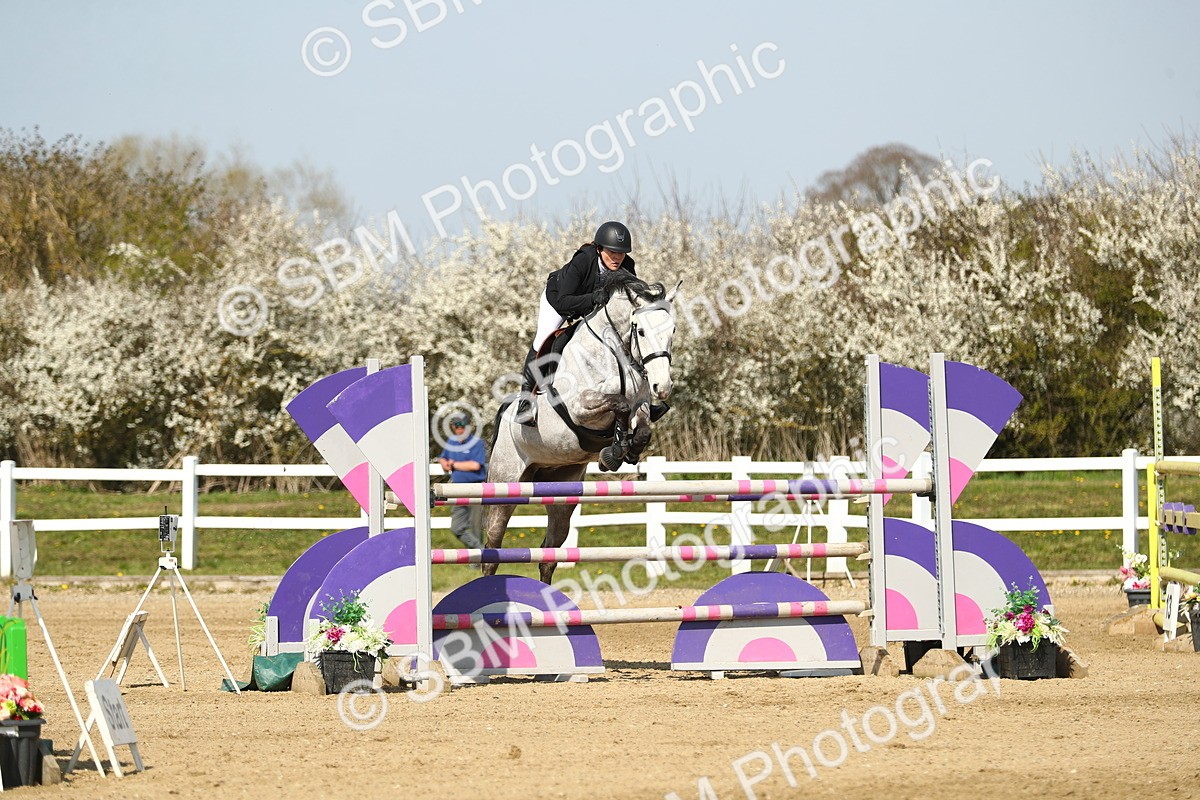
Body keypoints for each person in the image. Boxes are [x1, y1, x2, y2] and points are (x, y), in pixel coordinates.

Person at [514, 221, 637, 425]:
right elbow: (563, 301)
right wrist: (592, 299)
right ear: (599, 249)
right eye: (612, 252)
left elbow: (631, 299)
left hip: (593, 306)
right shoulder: (583, 260)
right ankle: (525, 401)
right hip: (558, 301)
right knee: (543, 338)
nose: (617, 258)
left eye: (621, 253)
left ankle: (640, 395)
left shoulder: (627, 266)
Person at [437, 413, 487, 549]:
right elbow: (443, 457)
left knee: (476, 525)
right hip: (457, 489)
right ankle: (480, 551)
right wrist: (443, 462)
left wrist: (454, 464)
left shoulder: (477, 443)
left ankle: (477, 561)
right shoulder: (451, 442)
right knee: (457, 527)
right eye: (456, 426)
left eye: (462, 426)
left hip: (475, 489)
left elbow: (475, 465)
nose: (459, 430)